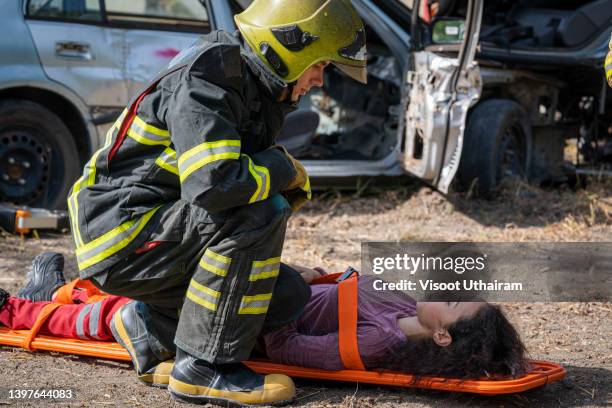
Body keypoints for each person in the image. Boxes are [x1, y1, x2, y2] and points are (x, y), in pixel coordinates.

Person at [62, 0, 368, 405]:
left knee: (286, 294)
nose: (319, 80)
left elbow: (222, 207)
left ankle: (148, 329)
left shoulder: (250, 84)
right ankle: (204, 367)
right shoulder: (209, 78)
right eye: (321, 65)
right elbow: (216, 187)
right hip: (122, 230)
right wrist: (281, 168)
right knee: (262, 207)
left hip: (155, 226)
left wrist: (272, 260)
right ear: (290, 46)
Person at [0, 253, 528, 385]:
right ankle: (57, 294)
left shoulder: (377, 342)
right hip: (266, 293)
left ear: (442, 335)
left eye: (458, 304)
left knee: (129, 315)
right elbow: (343, 288)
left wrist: (271, 294)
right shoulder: (400, 303)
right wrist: (313, 276)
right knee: (165, 280)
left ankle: (21, 310)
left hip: (249, 323)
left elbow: (290, 350)